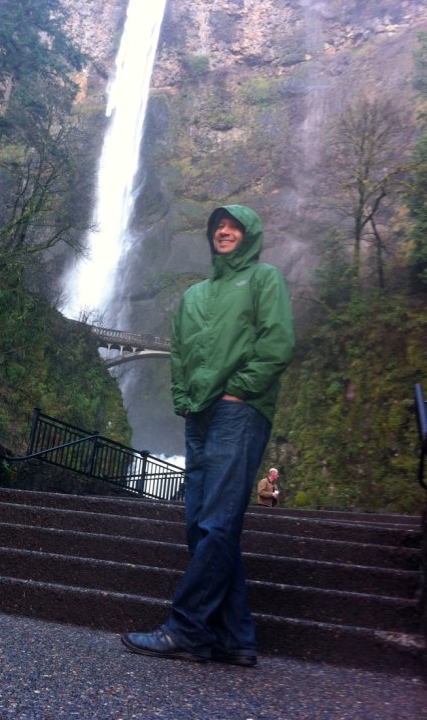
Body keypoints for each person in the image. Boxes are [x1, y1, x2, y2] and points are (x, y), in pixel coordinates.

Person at [121, 205, 295, 666]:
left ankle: (187, 629)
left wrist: (240, 389)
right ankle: (236, 638)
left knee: (217, 523)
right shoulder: (194, 295)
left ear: (249, 234)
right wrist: (182, 397)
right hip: (197, 414)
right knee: (200, 524)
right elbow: (180, 352)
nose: (224, 230)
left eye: (234, 225)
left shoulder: (264, 280)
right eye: (219, 225)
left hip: (239, 412)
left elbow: (277, 343)